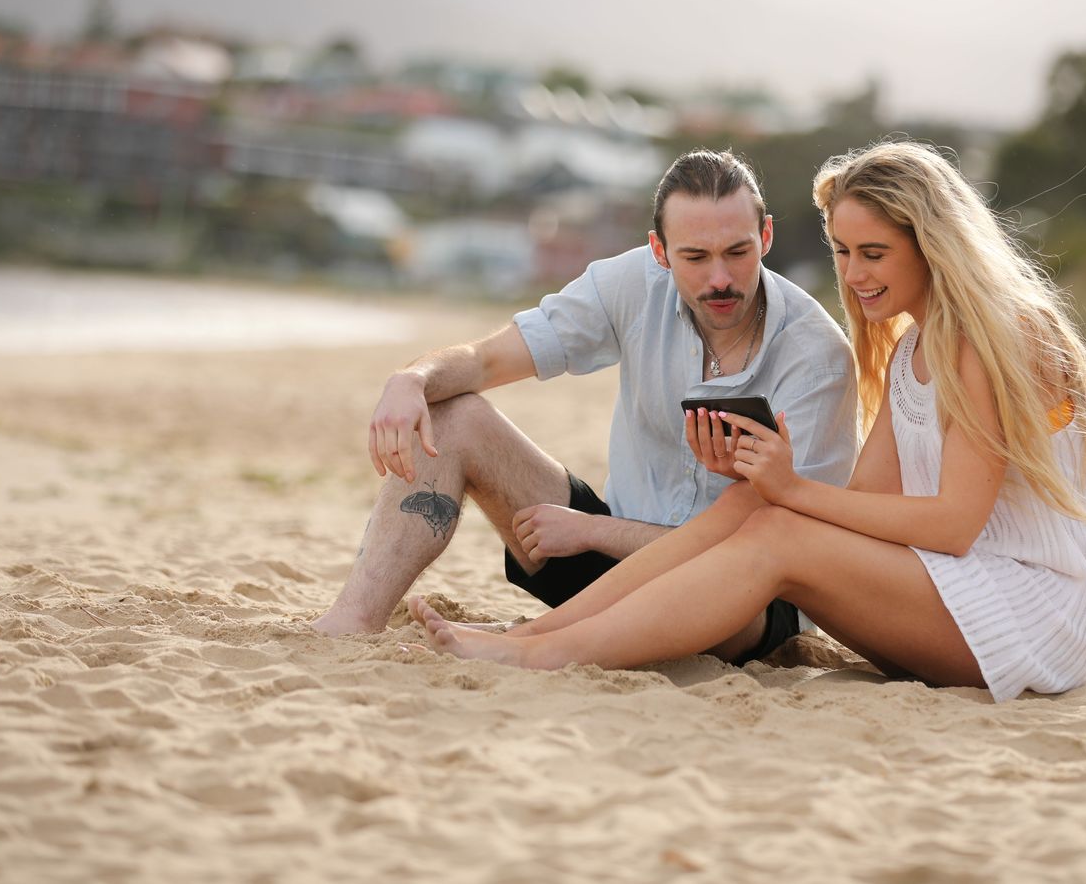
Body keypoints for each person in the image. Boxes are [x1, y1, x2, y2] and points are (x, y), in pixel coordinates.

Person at [411, 140, 1086, 702]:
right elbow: (866, 504)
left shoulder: (996, 337)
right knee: (753, 504)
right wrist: (767, 481)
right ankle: (536, 633)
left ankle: (544, 653)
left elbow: (952, 526)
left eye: (875, 253)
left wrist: (791, 490)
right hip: (957, 594)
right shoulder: (915, 347)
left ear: (933, 243)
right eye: (843, 252)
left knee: (778, 522)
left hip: (1031, 614)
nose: (854, 275)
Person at [312, 150, 859, 666]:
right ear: (660, 251)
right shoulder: (630, 282)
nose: (720, 279)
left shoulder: (815, 356)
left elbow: (774, 536)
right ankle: (353, 620)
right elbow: (487, 360)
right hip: (608, 565)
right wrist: (411, 379)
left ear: (765, 237)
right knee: (452, 414)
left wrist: (594, 531)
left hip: (740, 594)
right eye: (695, 257)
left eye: (737, 253)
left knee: (739, 571)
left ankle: (531, 642)